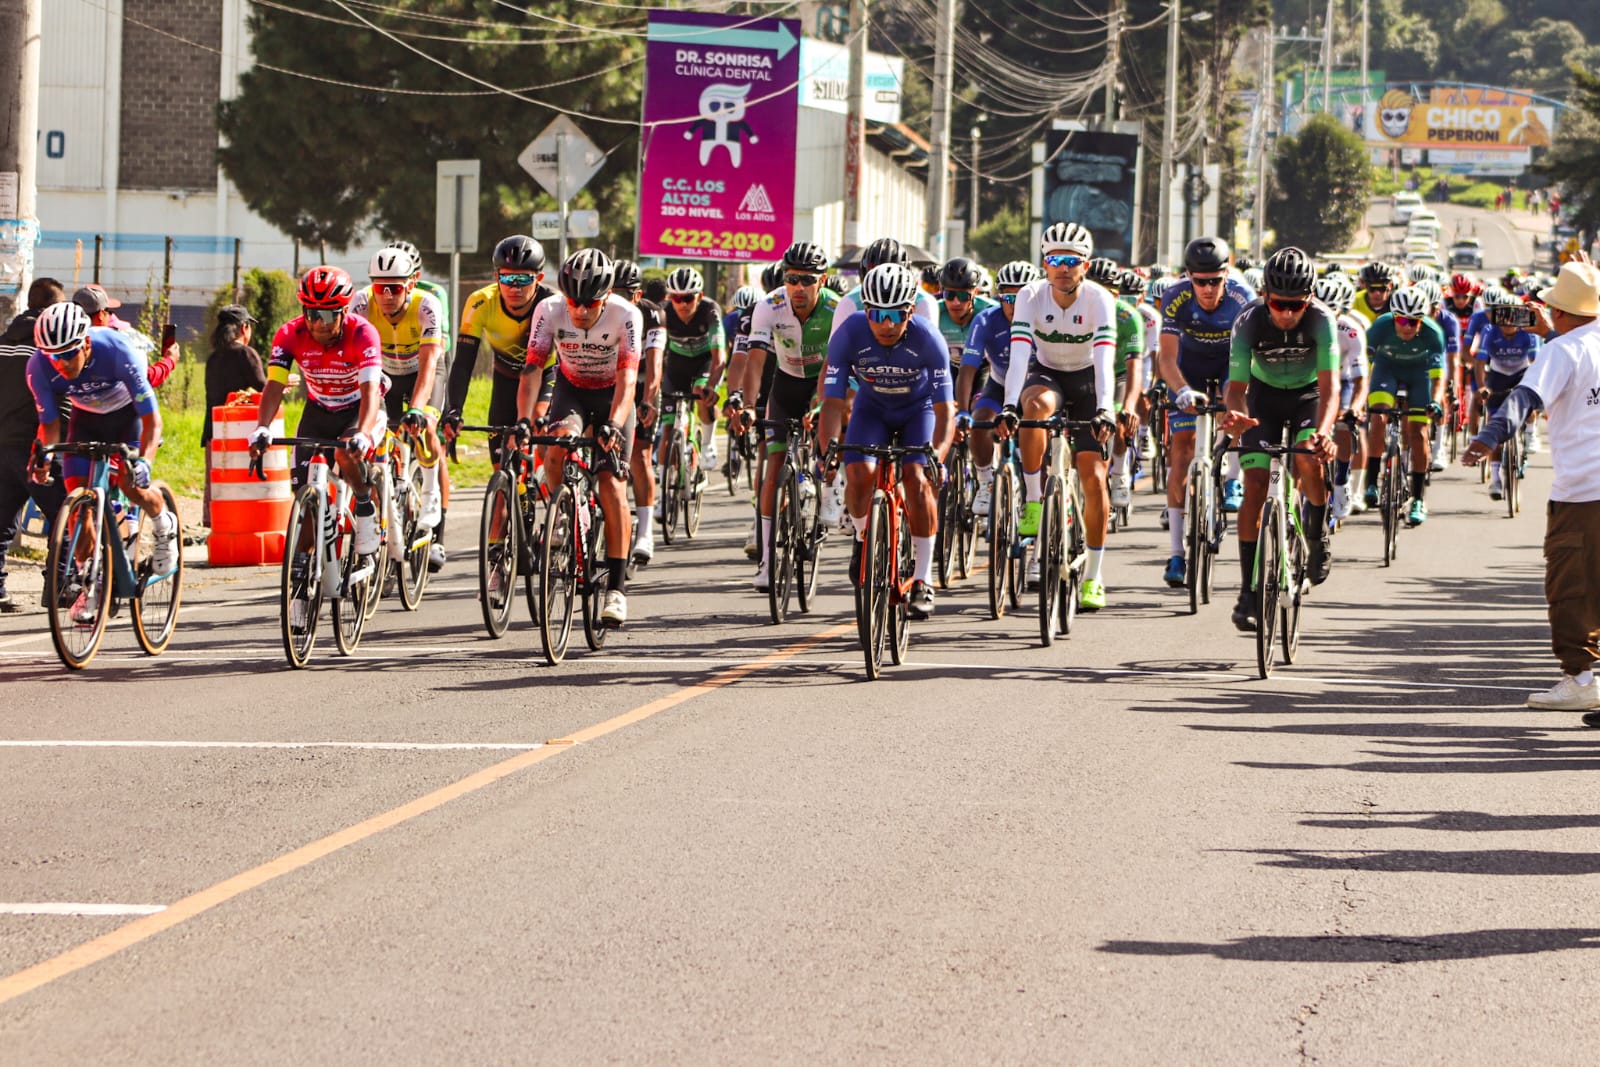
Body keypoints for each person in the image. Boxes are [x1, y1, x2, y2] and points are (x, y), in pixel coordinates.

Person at [1463, 259, 1600, 717]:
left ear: (1557, 313)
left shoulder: (1562, 352)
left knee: (1571, 588)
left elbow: (1524, 397)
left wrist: (1488, 436)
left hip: (1584, 491)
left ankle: (1581, 678)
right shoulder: (1567, 344)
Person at [248, 266, 386, 632]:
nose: (319, 323)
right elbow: (274, 387)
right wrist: (261, 427)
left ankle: (366, 506)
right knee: (307, 503)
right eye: (311, 313)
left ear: (344, 312)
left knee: (345, 453)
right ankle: (300, 592)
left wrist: (365, 433)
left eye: (327, 314)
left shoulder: (363, 333)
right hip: (318, 410)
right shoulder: (289, 334)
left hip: (358, 410)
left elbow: (372, 393)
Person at [27, 301, 178, 622]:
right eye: (52, 356)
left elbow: (152, 420)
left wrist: (145, 463)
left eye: (67, 353)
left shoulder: (118, 350)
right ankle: (90, 583)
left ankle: (164, 524)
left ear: (85, 342)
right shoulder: (38, 366)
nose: (61, 363)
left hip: (129, 419)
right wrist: (41, 455)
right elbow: (50, 425)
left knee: (131, 484)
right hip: (87, 419)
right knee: (78, 508)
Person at [819, 263, 954, 619]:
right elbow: (832, 403)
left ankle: (923, 579)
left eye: (897, 314)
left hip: (918, 410)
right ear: (866, 310)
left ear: (911, 310)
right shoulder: (848, 334)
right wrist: (828, 450)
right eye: (878, 314)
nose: (887, 323)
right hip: (872, 409)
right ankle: (863, 536)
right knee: (860, 473)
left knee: (917, 477)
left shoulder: (928, 339)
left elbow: (945, 411)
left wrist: (936, 457)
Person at [516, 249, 642, 626]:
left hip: (612, 396)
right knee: (555, 446)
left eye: (590, 303)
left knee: (612, 484)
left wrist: (615, 425)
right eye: (574, 302)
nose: (581, 310)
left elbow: (629, 379)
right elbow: (532, 369)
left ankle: (617, 590)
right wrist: (524, 419)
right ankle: (563, 513)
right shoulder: (548, 310)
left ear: (605, 297)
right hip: (570, 390)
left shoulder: (626, 315)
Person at [997, 221, 1118, 610]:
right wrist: (1009, 406)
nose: (1063, 267)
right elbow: (1018, 358)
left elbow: (1104, 363)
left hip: (1087, 384)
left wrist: (1104, 410)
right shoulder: (1030, 296)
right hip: (1047, 375)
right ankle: (1034, 501)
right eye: (1055, 260)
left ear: (1086, 264)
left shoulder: (1099, 300)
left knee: (1095, 480)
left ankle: (1095, 576)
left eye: (1072, 260)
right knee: (1032, 410)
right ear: (1044, 263)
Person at [1218, 247, 1339, 631]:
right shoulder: (1249, 320)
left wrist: (1324, 432)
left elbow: (1331, 388)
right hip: (1262, 398)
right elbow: (1236, 387)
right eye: (1278, 304)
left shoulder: (1322, 320)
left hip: (1308, 396)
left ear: (1310, 299)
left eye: (1296, 305)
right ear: (1265, 295)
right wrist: (1236, 414)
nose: (1286, 313)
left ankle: (1317, 533)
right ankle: (1247, 592)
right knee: (1254, 487)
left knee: (1307, 457)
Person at [737, 242, 838, 592]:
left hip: (823, 381)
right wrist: (750, 405)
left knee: (827, 437)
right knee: (773, 465)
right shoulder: (770, 305)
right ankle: (766, 559)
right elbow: (755, 360)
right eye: (791, 278)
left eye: (807, 280)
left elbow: (836, 364)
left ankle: (828, 491)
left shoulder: (836, 309)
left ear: (822, 280)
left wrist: (821, 403)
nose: (798, 287)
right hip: (785, 384)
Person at [1157, 236, 1256, 587]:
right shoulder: (1175, 296)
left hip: (1232, 362)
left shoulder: (1244, 299)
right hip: (1189, 364)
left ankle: (1231, 478)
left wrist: (1233, 402)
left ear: (1226, 274)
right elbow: (1166, 358)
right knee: (1181, 450)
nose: (1208, 288)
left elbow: (1246, 361)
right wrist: (1182, 390)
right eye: (1200, 281)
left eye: (1215, 280)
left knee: (1233, 403)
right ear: (1189, 277)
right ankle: (1176, 553)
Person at [349, 248, 447, 568]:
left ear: (412, 283)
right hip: (385, 374)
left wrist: (418, 409)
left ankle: (431, 494)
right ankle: (386, 495)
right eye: (380, 287)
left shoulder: (427, 305)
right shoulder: (361, 304)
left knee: (426, 427)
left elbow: (431, 362)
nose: (387, 295)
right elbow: (355, 360)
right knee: (378, 435)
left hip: (422, 371)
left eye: (395, 287)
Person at [442, 236, 553, 469]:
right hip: (505, 379)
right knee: (500, 469)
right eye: (507, 278)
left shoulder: (552, 304)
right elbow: (463, 363)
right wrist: (455, 410)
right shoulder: (481, 302)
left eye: (523, 278)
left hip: (546, 378)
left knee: (541, 440)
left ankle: (555, 495)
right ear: (497, 277)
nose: (514, 287)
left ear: (539, 278)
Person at [0, 278, 69, 611]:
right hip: (35, 446)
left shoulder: (2, 341)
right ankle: (59, 584)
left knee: (1, 519)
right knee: (66, 513)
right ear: (53, 309)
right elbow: (60, 401)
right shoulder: (47, 350)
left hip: (1, 445)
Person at [954, 260, 1039, 518]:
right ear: (998, 297)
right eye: (1007, 298)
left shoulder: (1045, 318)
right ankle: (985, 481)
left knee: (1036, 436)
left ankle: (1040, 494)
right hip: (1000, 384)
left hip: (1036, 387)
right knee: (979, 423)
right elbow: (968, 368)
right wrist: (962, 410)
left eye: (1021, 297)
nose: (1014, 305)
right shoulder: (986, 320)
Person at [1363, 285, 1447, 526]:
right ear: (1394, 318)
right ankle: (1371, 482)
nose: (1406, 327)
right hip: (1386, 370)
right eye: (1401, 320)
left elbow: (1438, 378)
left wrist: (1435, 402)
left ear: (1422, 320)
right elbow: (1363, 364)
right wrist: (1362, 401)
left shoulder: (1433, 334)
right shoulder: (1380, 327)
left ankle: (1418, 499)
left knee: (1419, 432)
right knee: (1378, 418)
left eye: (1413, 322)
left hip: (1419, 375)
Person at [611, 259, 667, 566]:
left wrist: (648, 400)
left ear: (638, 294)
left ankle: (645, 532)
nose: (618, 298)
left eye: (626, 292)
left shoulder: (652, 313)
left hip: (643, 376)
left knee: (640, 455)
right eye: (613, 291)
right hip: (612, 376)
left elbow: (655, 361)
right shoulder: (600, 307)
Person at [200, 304, 267, 527]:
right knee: (243, 487)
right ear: (244, 328)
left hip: (214, 432)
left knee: (220, 486)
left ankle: (216, 525)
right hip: (243, 432)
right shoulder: (246, 354)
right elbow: (263, 389)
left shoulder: (213, 358)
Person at [659, 266, 726, 473]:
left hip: (704, 361)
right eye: (677, 299)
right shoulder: (663, 312)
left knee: (701, 394)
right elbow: (656, 353)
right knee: (668, 426)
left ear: (700, 296)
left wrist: (712, 386)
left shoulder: (710, 310)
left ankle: (707, 443)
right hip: (677, 363)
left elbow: (719, 356)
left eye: (688, 298)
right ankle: (663, 482)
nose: (683, 304)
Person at [71, 283, 177, 387]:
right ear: (101, 315)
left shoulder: (65, 345)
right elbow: (144, 379)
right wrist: (169, 361)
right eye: (108, 311)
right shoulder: (116, 345)